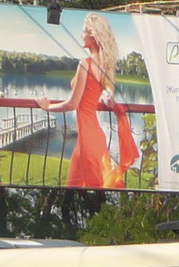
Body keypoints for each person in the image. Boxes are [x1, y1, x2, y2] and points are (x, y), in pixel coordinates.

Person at [37, 13, 139, 189]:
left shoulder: (86, 64)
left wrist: (47, 107)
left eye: (84, 31)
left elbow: (72, 104)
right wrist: (106, 97)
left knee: (82, 188)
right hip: (92, 135)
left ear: (93, 35)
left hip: (88, 136)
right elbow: (107, 94)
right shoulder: (105, 65)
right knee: (89, 188)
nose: (81, 35)